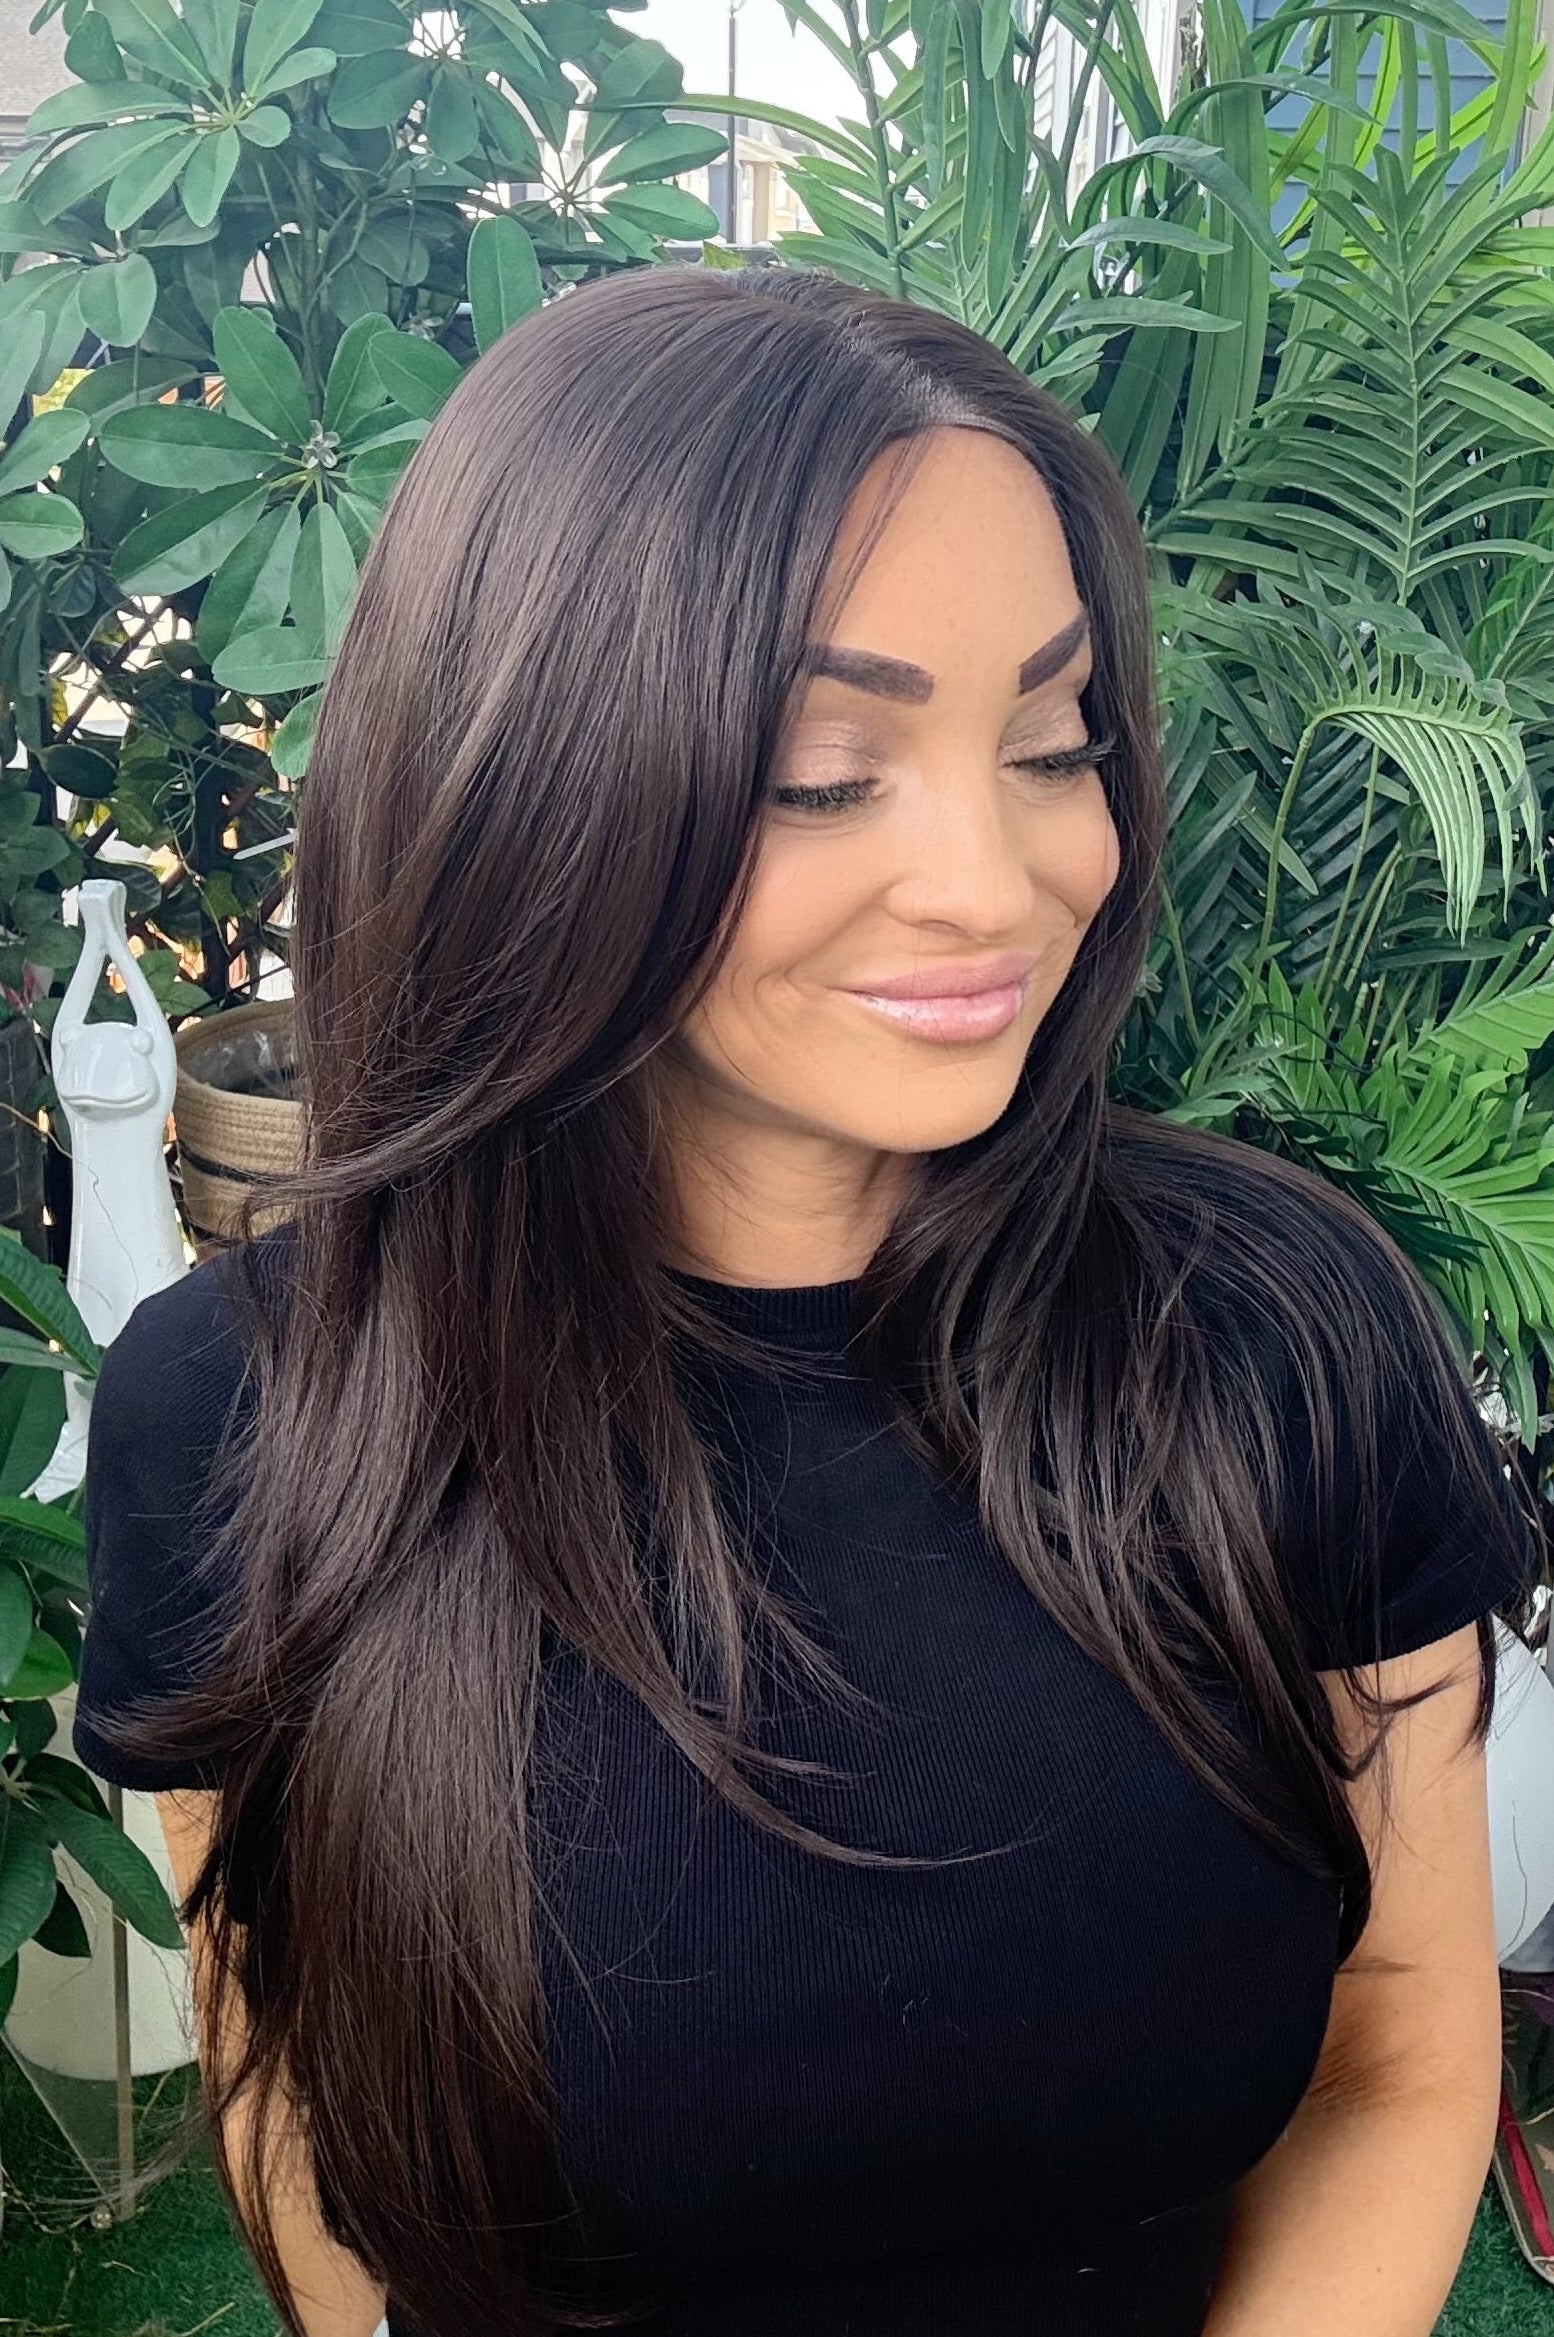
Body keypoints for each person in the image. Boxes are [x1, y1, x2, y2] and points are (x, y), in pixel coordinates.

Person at [75, 263, 1541, 2337]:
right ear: (535, 785)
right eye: (823, 772)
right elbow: (290, 2084)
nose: (996, 873)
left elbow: (1401, 2029)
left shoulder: (1284, 1338)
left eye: (1052, 739)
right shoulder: (253, 1411)